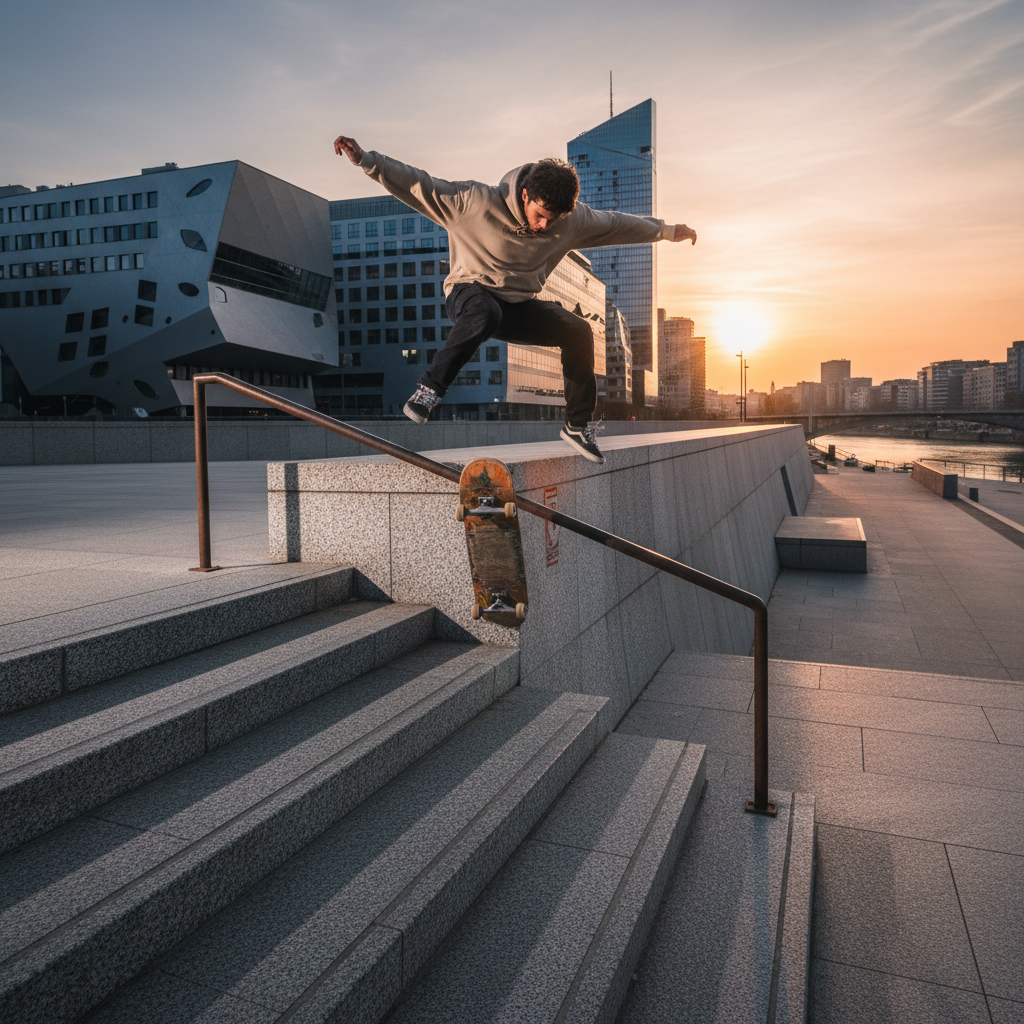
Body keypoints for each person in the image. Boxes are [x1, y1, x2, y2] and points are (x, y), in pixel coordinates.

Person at [334, 135, 697, 463]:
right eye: (540, 216)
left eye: (553, 220)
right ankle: (429, 390)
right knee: (485, 311)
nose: (543, 227)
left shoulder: (573, 221)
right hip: (468, 294)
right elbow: (419, 184)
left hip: (518, 307)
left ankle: (577, 426)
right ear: (525, 196)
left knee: (577, 330)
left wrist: (666, 231)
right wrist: (367, 160)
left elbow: (617, 224)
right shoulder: (473, 202)